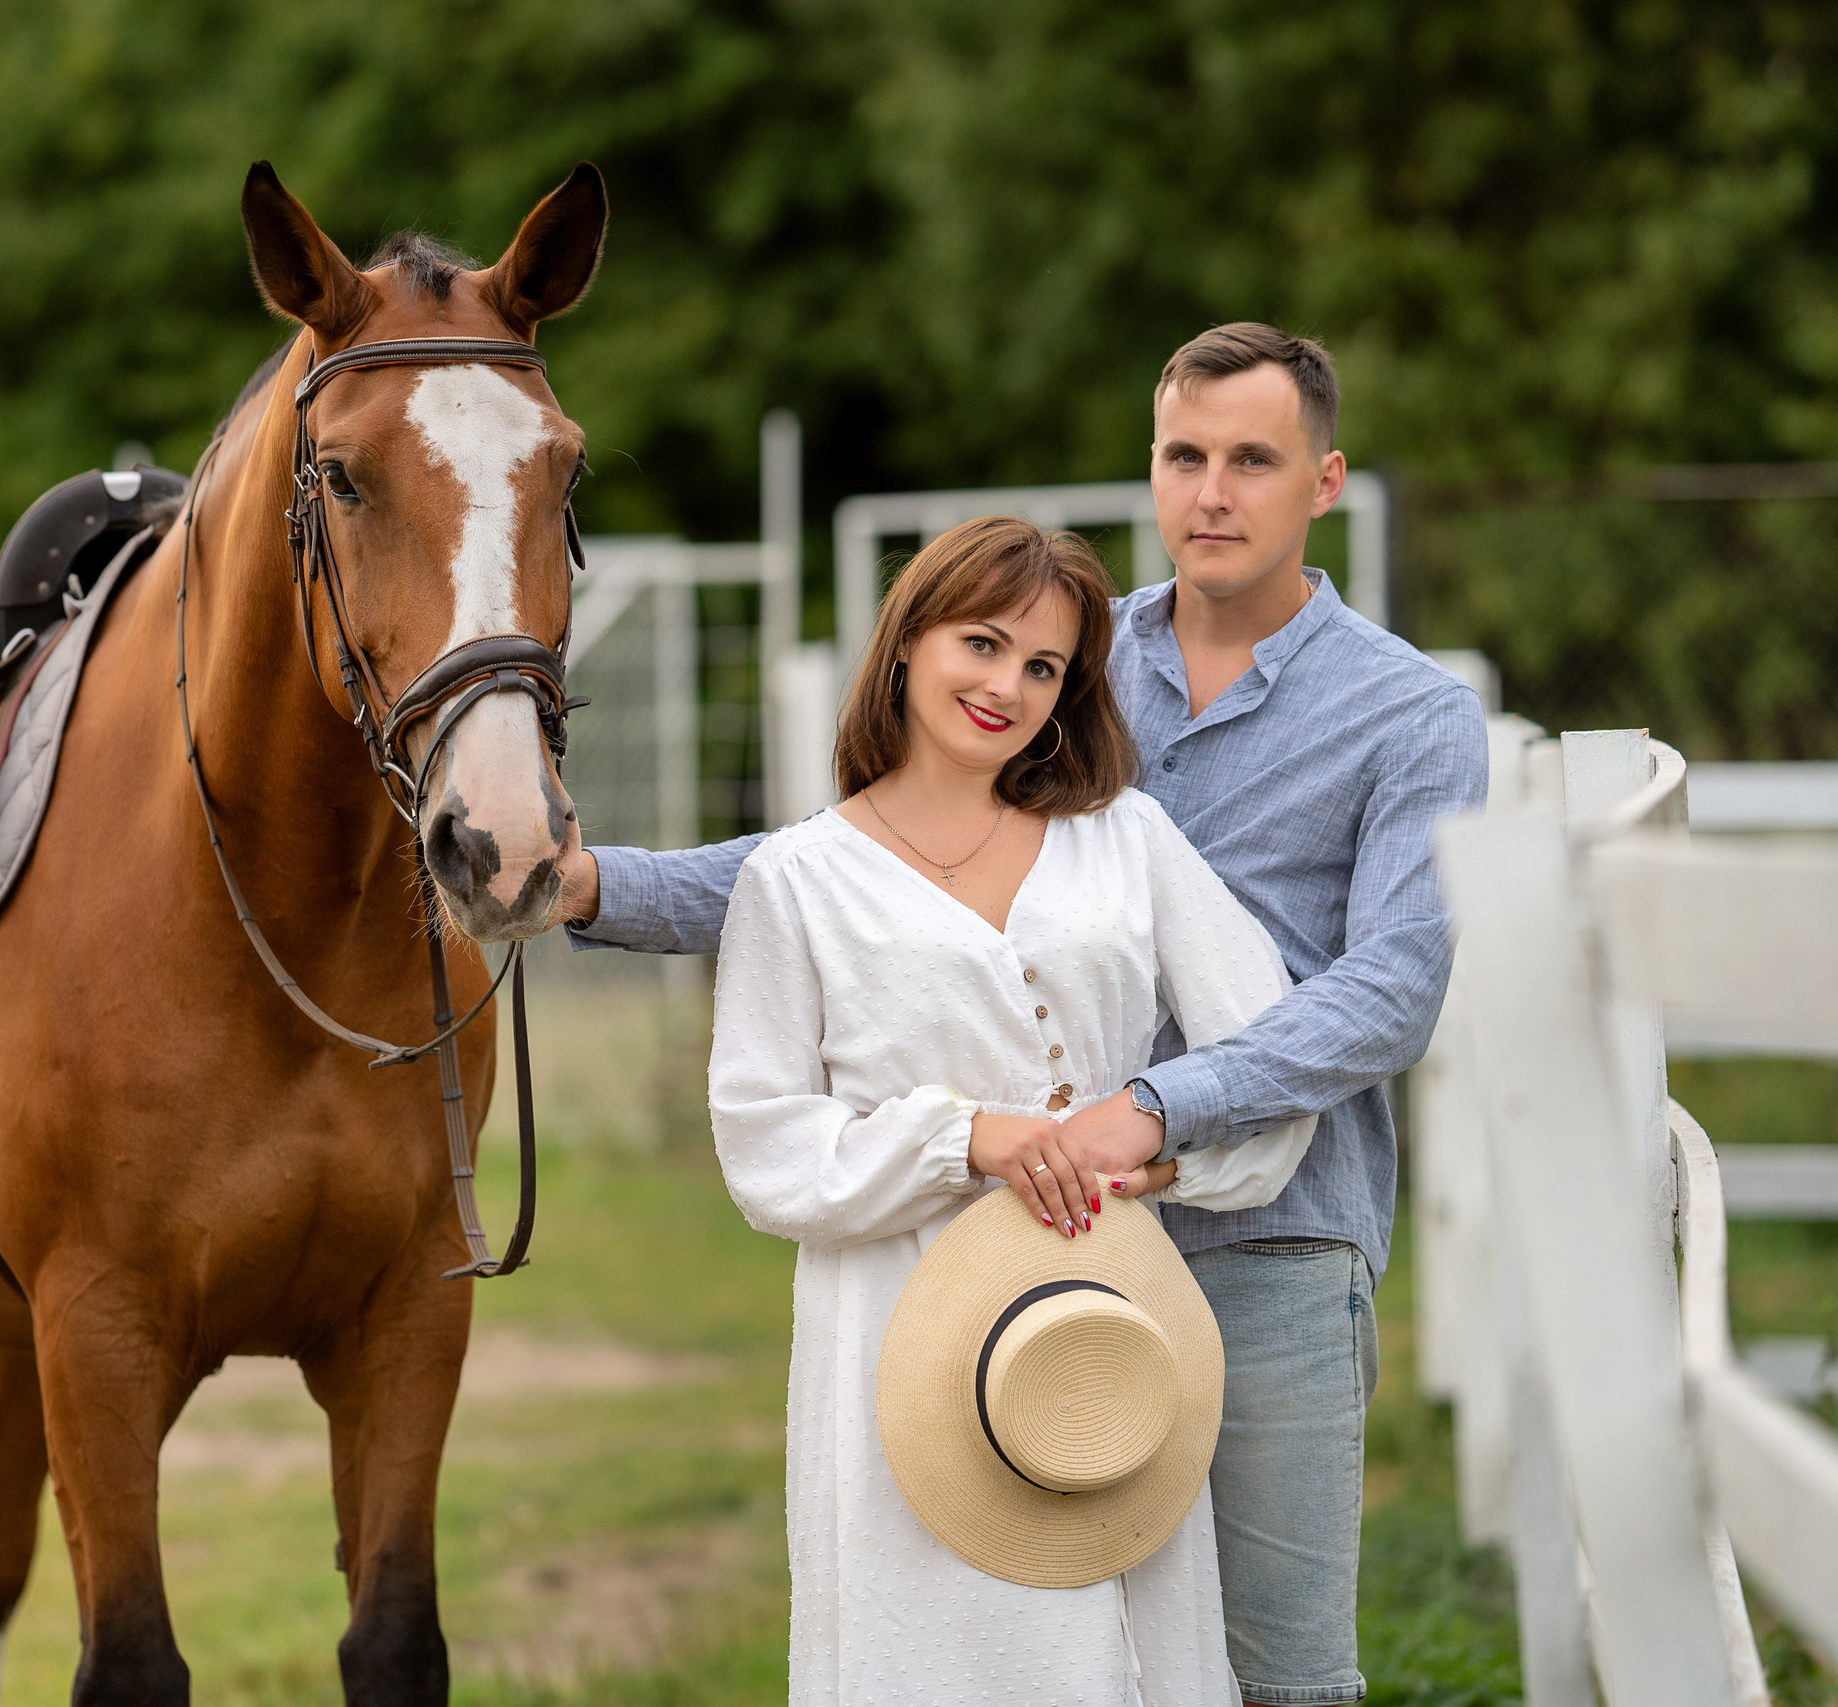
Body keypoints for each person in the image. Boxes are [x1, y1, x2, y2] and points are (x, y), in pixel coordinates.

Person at [557, 324, 1489, 1706]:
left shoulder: (1408, 714)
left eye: (1252, 460)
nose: (1211, 493)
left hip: (1268, 1224)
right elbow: (858, 872)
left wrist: (1153, 1116)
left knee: (1271, 1667)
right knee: (1032, 1635)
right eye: (1183, 456)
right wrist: (595, 886)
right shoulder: (1074, 651)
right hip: (1013, 1244)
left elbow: (1394, 986)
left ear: (1325, 480)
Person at [712, 514, 1312, 1704]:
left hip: (1105, 1306)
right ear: (906, 641)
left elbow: (1269, 1056)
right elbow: (765, 1147)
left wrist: (1160, 1162)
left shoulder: (1122, 837)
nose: (1007, 688)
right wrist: (963, 1139)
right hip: (897, 1320)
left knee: (1117, 1630)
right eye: (981, 645)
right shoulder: (795, 877)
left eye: (1043, 667)